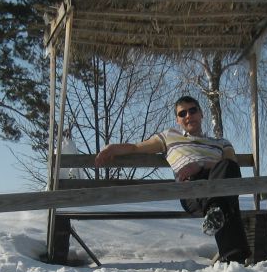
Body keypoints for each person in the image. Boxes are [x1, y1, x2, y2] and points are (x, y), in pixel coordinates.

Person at [95, 95, 251, 263]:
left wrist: (200, 164)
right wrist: (112, 148)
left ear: (201, 114)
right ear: (177, 120)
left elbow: (233, 170)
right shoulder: (169, 136)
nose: (188, 116)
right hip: (191, 189)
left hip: (217, 183)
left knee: (225, 179)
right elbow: (136, 147)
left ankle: (221, 228)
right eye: (182, 113)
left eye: (192, 110)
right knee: (224, 201)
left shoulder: (221, 142)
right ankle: (235, 257)